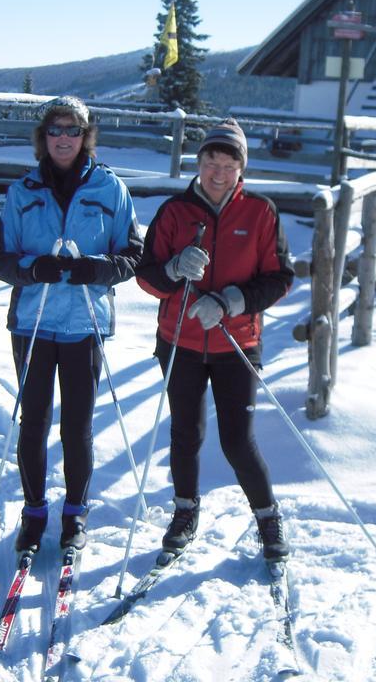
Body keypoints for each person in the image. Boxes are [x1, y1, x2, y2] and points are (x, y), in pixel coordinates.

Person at [135, 118, 295, 562]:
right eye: (211, 161)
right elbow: (146, 276)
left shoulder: (260, 212)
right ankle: (185, 512)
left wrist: (232, 301)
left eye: (229, 163)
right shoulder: (174, 212)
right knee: (185, 433)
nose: (219, 172)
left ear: (241, 169)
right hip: (180, 341)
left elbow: (281, 277)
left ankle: (267, 517)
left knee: (237, 440)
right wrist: (172, 271)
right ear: (199, 162)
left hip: (236, 344)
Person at [0, 96, 142, 554]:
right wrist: (35, 269)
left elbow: (132, 255)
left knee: (77, 427)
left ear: (86, 135)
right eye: (55, 129)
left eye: (73, 130)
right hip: (33, 323)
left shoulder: (110, 188)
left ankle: (75, 513)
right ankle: (34, 513)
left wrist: (95, 269)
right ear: (44, 135)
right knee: (32, 423)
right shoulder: (23, 190)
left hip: (83, 324)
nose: (63, 138)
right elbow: (0, 259)